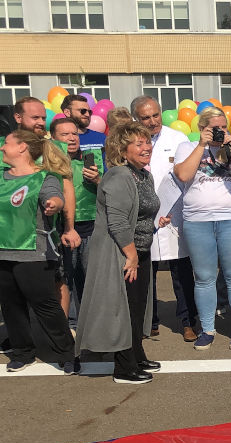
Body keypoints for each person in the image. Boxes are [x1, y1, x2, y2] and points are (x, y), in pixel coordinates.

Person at [77, 122, 164, 384]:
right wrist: (132, 255)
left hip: (138, 249)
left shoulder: (143, 175)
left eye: (147, 141)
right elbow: (116, 221)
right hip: (122, 253)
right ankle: (124, 369)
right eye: (138, 143)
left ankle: (136, 355)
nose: (146, 146)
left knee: (137, 309)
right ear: (122, 150)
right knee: (124, 311)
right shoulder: (119, 176)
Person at [173, 106, 231, 351]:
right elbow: (184, 175)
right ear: (201, 128)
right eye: (214, 128)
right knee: (204, 278)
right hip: (198, 221)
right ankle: (207, 329)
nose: (219, 131)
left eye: (223, 127)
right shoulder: (187, 147)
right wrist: (201, 145)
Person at [0, 129, 75, 374]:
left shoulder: (44, 178)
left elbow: (55, 197)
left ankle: (66, 352)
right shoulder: (1, 177)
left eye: (7, 143)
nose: (2, 148)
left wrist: (55, 204)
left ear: (22, 147)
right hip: (3, 253)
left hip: (34, 253)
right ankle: (23, 352)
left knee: (45, 305)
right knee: (11, 306)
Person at [131, 95, 198, 342]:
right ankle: (151, 320)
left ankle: (188, 321)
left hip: (175, 214)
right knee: (147, 272)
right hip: (144, 215)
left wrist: (172, 208)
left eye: (155, 115)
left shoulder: (177, 138)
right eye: (145, 117)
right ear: (136, 118)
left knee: (181, 273)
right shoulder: (132, 141)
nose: (152, 121)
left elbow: (186, 175)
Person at [50, 118, 102, 333]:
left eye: (75, 134)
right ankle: (69, 324)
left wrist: (99, 180)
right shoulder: (48, 164)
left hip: (91, 226)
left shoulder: (92, 158)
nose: (72, 138)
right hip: (62, 227)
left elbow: (108, 195)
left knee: (90, 277)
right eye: (65, 134)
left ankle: (90, 323)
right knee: (65, 278)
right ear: (53, 138)